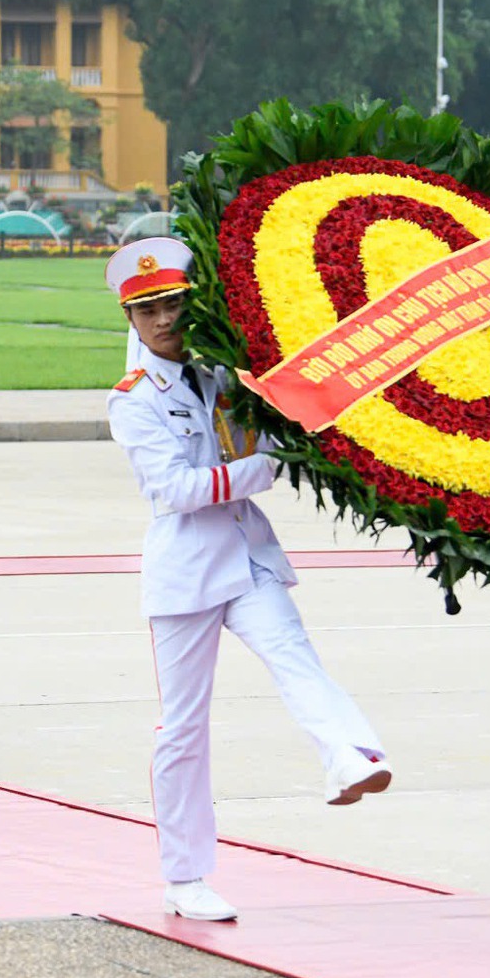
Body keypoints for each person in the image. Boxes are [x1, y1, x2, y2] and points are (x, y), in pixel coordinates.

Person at [105, 239, 389, 924]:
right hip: (185, 569)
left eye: (174, 302)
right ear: (131, 320)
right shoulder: (135, 399)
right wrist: (269, 465)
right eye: (149, 310)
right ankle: (185, 877)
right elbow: (174, 489)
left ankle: (348, 754)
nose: (165, 319)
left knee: (294, 655)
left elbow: (270, 431)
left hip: (247, 553)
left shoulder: (221, 373)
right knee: (183, 727)